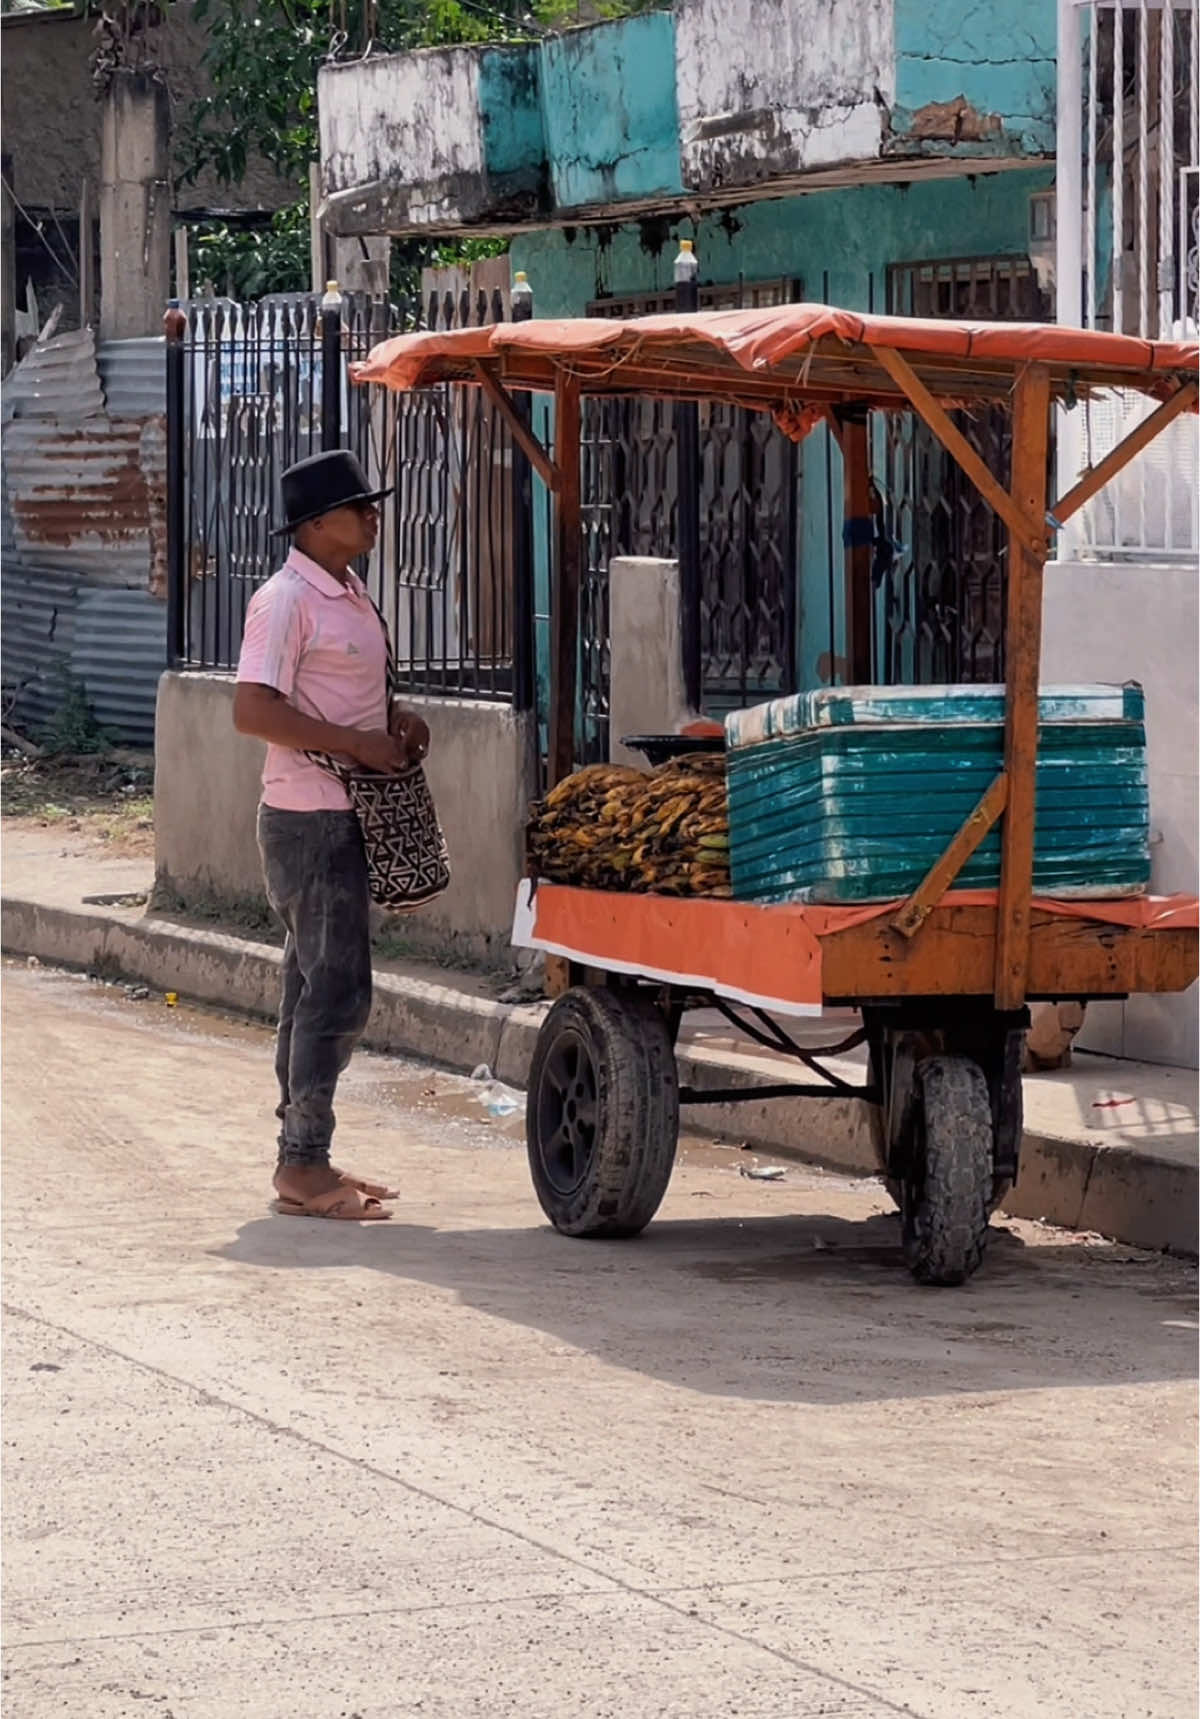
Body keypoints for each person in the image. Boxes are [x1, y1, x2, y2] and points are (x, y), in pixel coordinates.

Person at [233, 450, 430, 1220]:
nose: (373, 515)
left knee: (310, 988)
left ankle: (302, 1157)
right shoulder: (284, 600)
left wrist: (394, 722)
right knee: (339, 992)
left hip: (341, 812)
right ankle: (305, 1165)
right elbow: (253, 711)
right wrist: (354, 745)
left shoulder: (348, 591)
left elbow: (345, 698)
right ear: (316, 524)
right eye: (359, 506)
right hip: (309, 815)